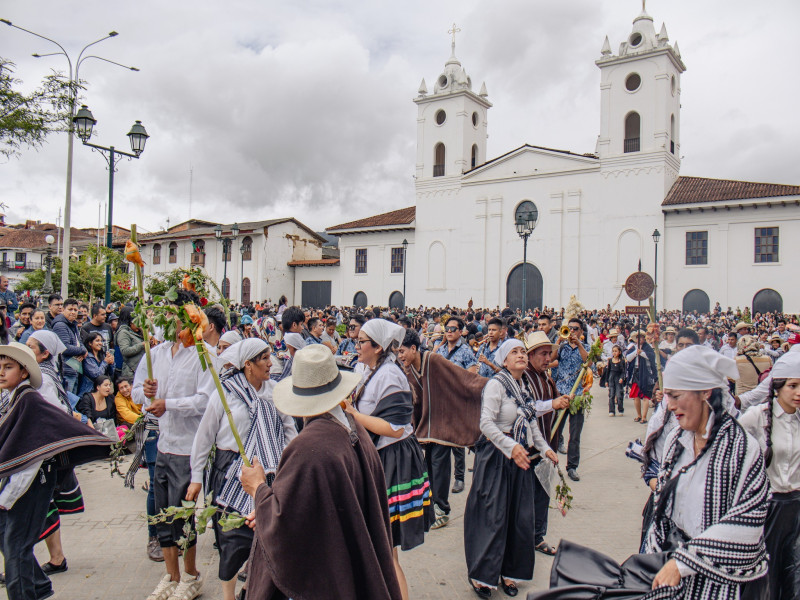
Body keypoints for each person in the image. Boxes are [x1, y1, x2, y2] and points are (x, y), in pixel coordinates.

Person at [240, 344, 402, 599]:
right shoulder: (353, 427)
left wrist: (258, 489)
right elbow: (311, 504)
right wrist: (264, 507)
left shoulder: (307, 447)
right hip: (347, 561)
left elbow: (285, 522)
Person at [0, 342, 111, 600]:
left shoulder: (29, 401)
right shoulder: (16, 398)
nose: (2, 372)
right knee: (10, 539)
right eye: (0, 367)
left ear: (25, 371)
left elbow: (31, 458)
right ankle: (38, 586)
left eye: (8, 367)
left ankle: (26, 593)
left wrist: (6, 498)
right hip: (21, 484)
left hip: (30, 484)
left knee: (16, 548)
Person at [188, 339, 296, 600]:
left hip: (267, 472)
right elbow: (204, 437)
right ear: (248, 365)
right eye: (264, 359)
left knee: (266, 537)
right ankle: (228, 594)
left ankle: (251, 590)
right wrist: (196, 476)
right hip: (229, 471)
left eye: (271, 357)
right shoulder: (225, 393)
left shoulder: (276, 392)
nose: (271, 363)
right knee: (231, 538)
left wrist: (290, 466)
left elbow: (290, 432)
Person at [132, 289, 215, 600]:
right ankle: (172, 574)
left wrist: (170, 404)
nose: (169, 320)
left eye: (176, 314)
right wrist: (148, 392)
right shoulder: (155, 354)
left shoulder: (204, 354)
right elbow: (138, 397)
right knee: (162, 515)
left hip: (189, 447)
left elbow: (206, 399)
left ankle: (191, 575)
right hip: (163, 443)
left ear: (191, 317)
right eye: (166, 314)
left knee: (183, 516)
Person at [464, 339, 558, 597]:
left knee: (518, 517)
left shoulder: (522, 385)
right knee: (492, 517)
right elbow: (486, 423)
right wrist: (510, 446)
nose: (521, 355)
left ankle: (508, 572)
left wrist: (545, 448)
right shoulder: (496, 385)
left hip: (520, 459)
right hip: (496, 458)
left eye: (522, 352)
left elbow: (530, 422)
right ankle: (483, 575)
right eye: (514, 352)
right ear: (504, 360)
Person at [347, 319, 433, 600]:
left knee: (387, 547)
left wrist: (353, 414)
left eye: (362, 342)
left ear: (379, 347)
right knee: (381, 544)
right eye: (356, 340)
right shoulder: (364, 368)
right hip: (379, 455)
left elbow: (395, 428)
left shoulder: (390, 375)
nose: (356, 345)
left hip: (394, 460)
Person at [398, 329, 487, 532]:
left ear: (414, 348)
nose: (400, 356)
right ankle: (431, 508)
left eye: (402, 351)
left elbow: (462, 379)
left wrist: (493, 385)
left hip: (444, 421)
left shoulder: (434, 360)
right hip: (426, 426)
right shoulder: (408, 370)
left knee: (439, 466)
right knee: (427, 467)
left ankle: (442, 510)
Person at [738, 352, 800, 599]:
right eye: (792, 386)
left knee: (794, 573)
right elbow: (733, 446)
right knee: (766, 577)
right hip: (769, 507)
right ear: (777, 387)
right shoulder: (758, 416)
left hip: (796, 507)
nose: (798, 392)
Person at [24, 330, 81, 578]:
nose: (27, 350)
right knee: (42, 505)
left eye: (31, 347)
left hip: (39, 453)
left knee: (35, 506)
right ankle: (54, 557)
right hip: (41, 451)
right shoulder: (45, 374)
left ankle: (25, 560)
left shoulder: (41, 380)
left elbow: (50, 414)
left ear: (45, 353)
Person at [522, 330, 570, 557]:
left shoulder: (545, 376)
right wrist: (553, 403)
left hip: (545, 448)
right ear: (530, 355)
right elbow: (529, 407)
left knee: (542, 495)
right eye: (542, 354)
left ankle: (537, 537)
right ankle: (524, 538)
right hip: (529, 450)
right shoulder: (524, 378)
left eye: (549, 353)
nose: (547, 358)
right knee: (527, 498)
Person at [435, 316, 476, 495]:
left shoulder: (466, 351)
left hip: (457, 400)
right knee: (442, 439)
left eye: (453, 329)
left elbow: (472, 374)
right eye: (447, 328)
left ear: (460, 332)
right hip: (442, 399)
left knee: (457, 443)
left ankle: (459, 478)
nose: (449, 332)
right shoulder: (441, 349)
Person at [551, 317, 589, 481]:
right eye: (570, 328)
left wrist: (579, 344)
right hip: (561, 393)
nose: (572, 331)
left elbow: (588, 361)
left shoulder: (586, 347)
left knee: (575, 434)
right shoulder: (562, 347)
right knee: (554, 429)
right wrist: (559, 340)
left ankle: (572, 467)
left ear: (581, 332)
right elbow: (551, 359)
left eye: (575, 328)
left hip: (578, 396)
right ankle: (549, 461)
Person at [51, 299, 87, 395]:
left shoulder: (72, 324)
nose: (73, 312)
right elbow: (64, 347)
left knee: (73, 400)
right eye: (70, 309)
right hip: (66, 370)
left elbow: (79, 341)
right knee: (68, 400)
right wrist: (82, 350)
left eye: (75, 310)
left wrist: (83, 350)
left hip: (74, 368)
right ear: (63, 309)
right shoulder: (60, 325)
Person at [625, 330, 657, 424]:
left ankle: (644, 416)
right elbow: (628, 358)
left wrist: (642, 353)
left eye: (641, 337)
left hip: (646, 372)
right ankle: (639, 415)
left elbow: (651, 357)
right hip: (636, 371)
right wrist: (636, 352)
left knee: (645, 395)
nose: (639, 339)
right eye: (638, 337)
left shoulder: (648, 347)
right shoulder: (633, 347)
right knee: (636, 396)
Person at [78, 332, 115, 396]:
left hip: (101, 392)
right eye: (97, 341)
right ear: (90, 343)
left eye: (101, 341)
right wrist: (105, 362)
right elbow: (96, 374)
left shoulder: (102, 356)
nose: (100, 343)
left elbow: (111, 373)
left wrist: (111, 363)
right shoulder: (87, 357)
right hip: (88, 391)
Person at [115, 306, 147, 379]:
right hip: (130, 371)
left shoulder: (134, 331)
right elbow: (125, 350)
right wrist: (142, 345)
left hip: (137, 369)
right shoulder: (123, 332)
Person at [605, 344, 627, 416]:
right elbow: (608, 371)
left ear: (619, 352)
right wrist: (606, 381)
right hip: (611, 378)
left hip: (618, 378)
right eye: (613, 351)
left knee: (619, 394)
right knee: (611, 395)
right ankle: (611, 410)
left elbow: (623, 371)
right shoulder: (610, 361)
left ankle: (620, 409)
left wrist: (622, 378)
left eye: (616, 351)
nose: (614, 353)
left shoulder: (622, 361)